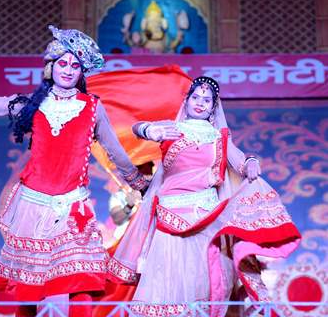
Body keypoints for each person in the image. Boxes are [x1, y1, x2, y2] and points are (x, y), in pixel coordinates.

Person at [0, 25, 149, 317]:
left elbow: (115, 151)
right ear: (51, 67)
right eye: (62, 63)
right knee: (28, 288)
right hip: (33, 207)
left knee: (81, 280)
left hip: (72, 208)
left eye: (75, 65)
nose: (68, 70)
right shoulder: (34, 104)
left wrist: (138, 182)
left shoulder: (92, 107)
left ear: (82, 73)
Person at [107, 76, 301, 316]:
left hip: (206, 218)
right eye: (195, 98)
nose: (200, 103)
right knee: (169, 281)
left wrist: (250, 162)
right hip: (170, 217)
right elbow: (136, 128)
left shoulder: (219, 137)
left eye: (206, 100)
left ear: (213, 108)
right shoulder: (171, 129)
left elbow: (237, 158)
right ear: (186, 102)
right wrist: (149, 129)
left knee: (205, 281)